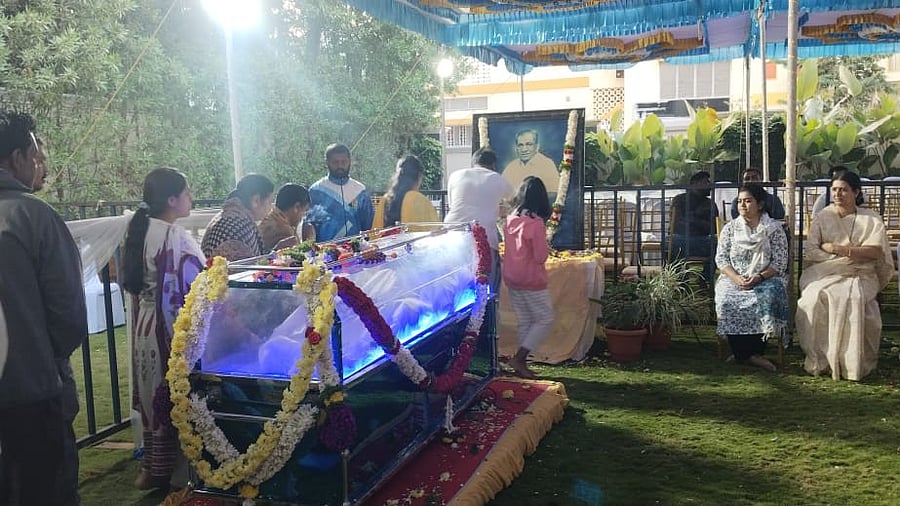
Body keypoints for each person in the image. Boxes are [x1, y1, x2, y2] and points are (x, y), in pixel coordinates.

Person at [0, 110, 87, 506]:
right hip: (31, 393)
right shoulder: (32, 217)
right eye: (38, 154)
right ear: (18, 157)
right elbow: (67, 315)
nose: (42, 165)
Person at [122, 167, 205, 490]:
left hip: (144, 327)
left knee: (151, 395)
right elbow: (197, 284)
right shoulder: (174, 237)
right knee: (171, 395)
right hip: (168, 329)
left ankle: (154, 467)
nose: (191, 198)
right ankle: (176, 473)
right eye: (187, 192)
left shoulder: (139, 229)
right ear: (172, 199)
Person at [796, 170, 893, 381]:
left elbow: (876, 251)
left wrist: (838, 249)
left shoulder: (871, 218)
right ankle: (821, 360)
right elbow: (812, 251)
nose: (838, 194)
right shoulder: (823, 217)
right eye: (835, 190)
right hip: (826, 273)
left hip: (861, 275)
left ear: (856, 192)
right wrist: (842, 260)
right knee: (811, 300)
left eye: (843, 190)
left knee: (851, 298)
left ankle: (850, 364)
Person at [715, 184, 788, 372]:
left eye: (748, 201)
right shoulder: (730, 229)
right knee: (726, 299)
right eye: (740, 201)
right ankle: (746, 355)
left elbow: (780, 262)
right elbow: (721, 259)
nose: (743, 205)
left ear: (760, 204)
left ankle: (749, 354)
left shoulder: (773, 229)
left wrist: (759, 277)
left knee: (766, 296)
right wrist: (736, 278)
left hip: (766, 278)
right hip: (735, 278)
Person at [503, 176, 554, 379]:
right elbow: (541, 256)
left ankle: (520, 365)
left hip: (512, 276)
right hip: (531, 278)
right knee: (545, 318)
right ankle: (520, 358)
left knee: (525, 320)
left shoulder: (511, 219)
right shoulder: (535, 223)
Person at [445, 148, 515, 292]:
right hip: (484, 241)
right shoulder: (497, 178)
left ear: (473, 162)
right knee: (487, 290)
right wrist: (501, 210)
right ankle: (486, 313)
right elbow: (516, 201)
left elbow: (455, 206)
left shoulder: (456, 175)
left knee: (455, 288)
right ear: (494, 166)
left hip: (452, 238)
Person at [305, 144, 374, 241]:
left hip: (355, 249)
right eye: (335, 162)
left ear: (350, 162)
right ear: (327, 163)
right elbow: (309, 225)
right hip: (325, 252)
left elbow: (366, 224)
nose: (340, 166)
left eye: (343, 162)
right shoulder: (316, 191)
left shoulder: (360, 191)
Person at [201, 173, 274, 260]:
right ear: (256, 200)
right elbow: (252, 268)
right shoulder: (241, 225)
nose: (271, 208)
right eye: (269, 202)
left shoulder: (226, 216)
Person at [670, 171, 719, 283]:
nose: (710, 185)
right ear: (695, 183)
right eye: (706, 182)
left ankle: (704, 280)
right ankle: (681, 282)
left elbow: (714, 227)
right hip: (682, 239)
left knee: (718, 242)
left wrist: (692, 218)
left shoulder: (710, 203)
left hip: (702, 241)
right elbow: (676, 224)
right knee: (670, 241)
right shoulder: (680, 199)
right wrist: (701, 221)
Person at [372, 155, 439, 228]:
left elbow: (375, 234)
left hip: (387, 239)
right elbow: (435, 232)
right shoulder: (420, 200)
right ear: (419, 177)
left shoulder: (385, 200)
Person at [501, 129, 560, 193]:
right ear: (516, 148)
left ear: (537, 146)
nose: (524, 149)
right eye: (520, 145)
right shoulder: (511, 167)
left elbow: (554, 193)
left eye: (529, 144)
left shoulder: (547, 164)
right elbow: (501, 192)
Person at [259, 183, 311, 251]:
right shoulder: (283, 231)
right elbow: (298, 258)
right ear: (297, 207)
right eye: (304, 211)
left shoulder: (270, 219)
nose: (303, 217)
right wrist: (309, 241)